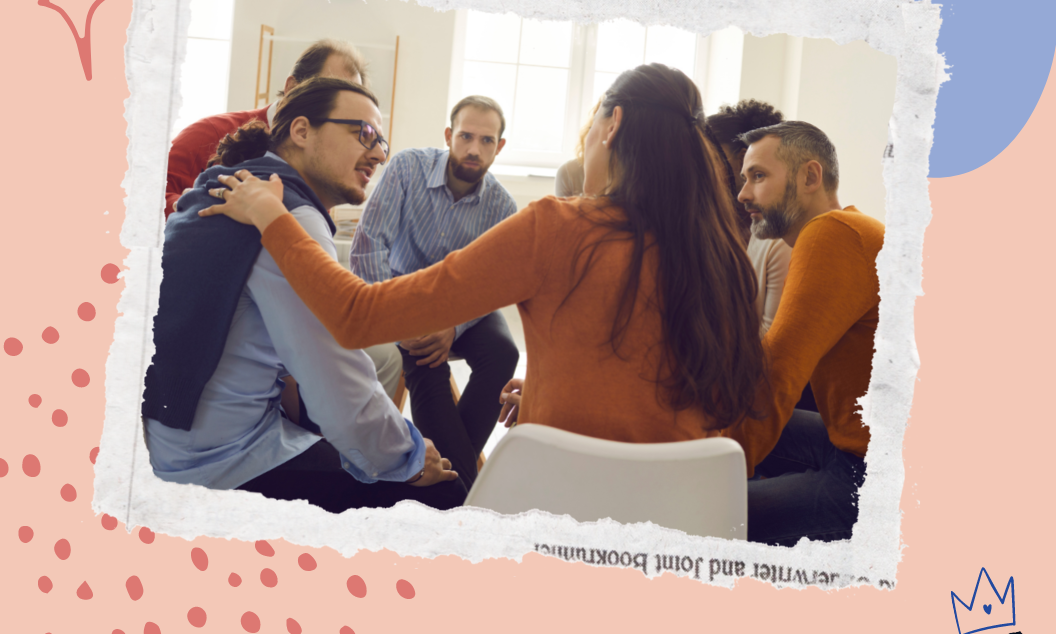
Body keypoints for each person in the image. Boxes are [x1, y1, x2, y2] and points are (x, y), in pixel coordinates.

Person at [202, 63, 766, 454]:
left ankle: (450, 482)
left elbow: (356, 316)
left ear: (612, 124)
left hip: (560, 509)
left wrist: (273, 217)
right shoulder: (725, 256)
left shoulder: (557, 226)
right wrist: (546, 392)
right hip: (682, 523)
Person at [142, 77, 461, 513]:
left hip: (168, 435)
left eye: (382, 143)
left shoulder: (222, 185)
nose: (379, 154)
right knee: (442, 497)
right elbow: (338, 385)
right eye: (364, 133)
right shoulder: (288, 215)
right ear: (302, 131)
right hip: (220, 460)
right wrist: (408, 456)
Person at [725, 121, 882, 546]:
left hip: (874, 477)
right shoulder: (849, 230)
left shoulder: (832, 234)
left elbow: (777, 371)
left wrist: (703, 479)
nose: (743, 194)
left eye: (758, 176)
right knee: (713, 412)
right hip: (856, 445)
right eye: (745, 179)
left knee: (707, 514)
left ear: (810, 176)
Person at [350, 95, 519, 487]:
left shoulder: (502, 207)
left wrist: (455, 326)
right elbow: (368, 247)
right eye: (466, 136)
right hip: (402, 296)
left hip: (463, 303)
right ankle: (462, 484)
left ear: (499, 147)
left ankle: (451, 478)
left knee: (504, 352)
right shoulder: (407, 168)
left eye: (487, 140)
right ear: (448, 135)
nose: (474, 149)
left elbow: (493, 285)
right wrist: (397, 320)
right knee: (426, 358)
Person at [163, 39, 367, 217]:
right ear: (292, 88)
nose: (336, 109)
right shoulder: (209, 133)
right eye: (328, 95)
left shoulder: (319, 168)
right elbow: (150, 196)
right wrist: (201, 206)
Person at [705, 100, 792, 332]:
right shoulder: (713, 224)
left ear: (743, 160)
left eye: (708, 160)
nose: (698, 171)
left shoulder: (781, 238)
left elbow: (770, 336)